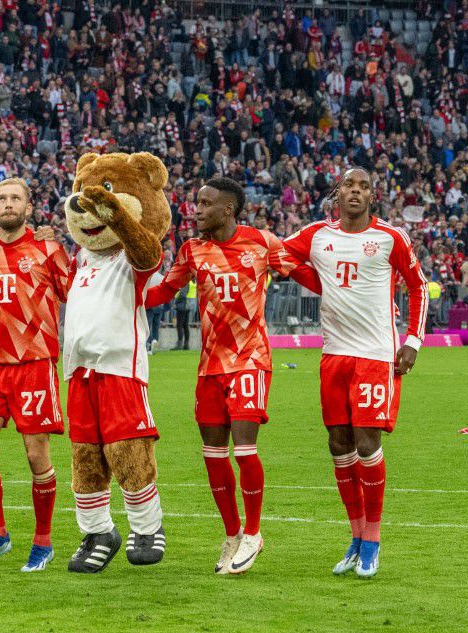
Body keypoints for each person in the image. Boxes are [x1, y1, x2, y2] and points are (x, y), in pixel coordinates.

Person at [144, 177, 311, 575]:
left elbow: (303, 273)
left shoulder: (262, 242)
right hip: (210, 367)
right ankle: (233, 534)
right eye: (196, 203)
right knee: (213, 455)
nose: (196, 210)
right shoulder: (192, 250)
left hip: (250, 358)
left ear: (227, 210)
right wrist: (116, 286)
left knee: (245, 446)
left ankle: (254, 532)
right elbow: (162, 293)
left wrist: (355, 290)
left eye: (204, 204)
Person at [281, 168, 428, 578]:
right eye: (349, 185)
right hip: (334, 354)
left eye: (363, 186)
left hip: (375, 354)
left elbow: (418, 285)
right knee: (338, 444)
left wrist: (413, 341)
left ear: (372, 195)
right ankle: (356, 536)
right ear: (338, 192)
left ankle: (373, 541)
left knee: (367, 442)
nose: (356, 192)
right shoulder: (317, 235)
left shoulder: (390, 238)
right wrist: (319, 282)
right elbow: (280, 256)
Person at [0, 178, 71, 571]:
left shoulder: (48, 248)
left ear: (29, 207)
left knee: (35, 455)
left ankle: (42, 541)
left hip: (34, 364)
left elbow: (71, 291)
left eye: (15, 198)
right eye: (0, 198)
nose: (7, 204)